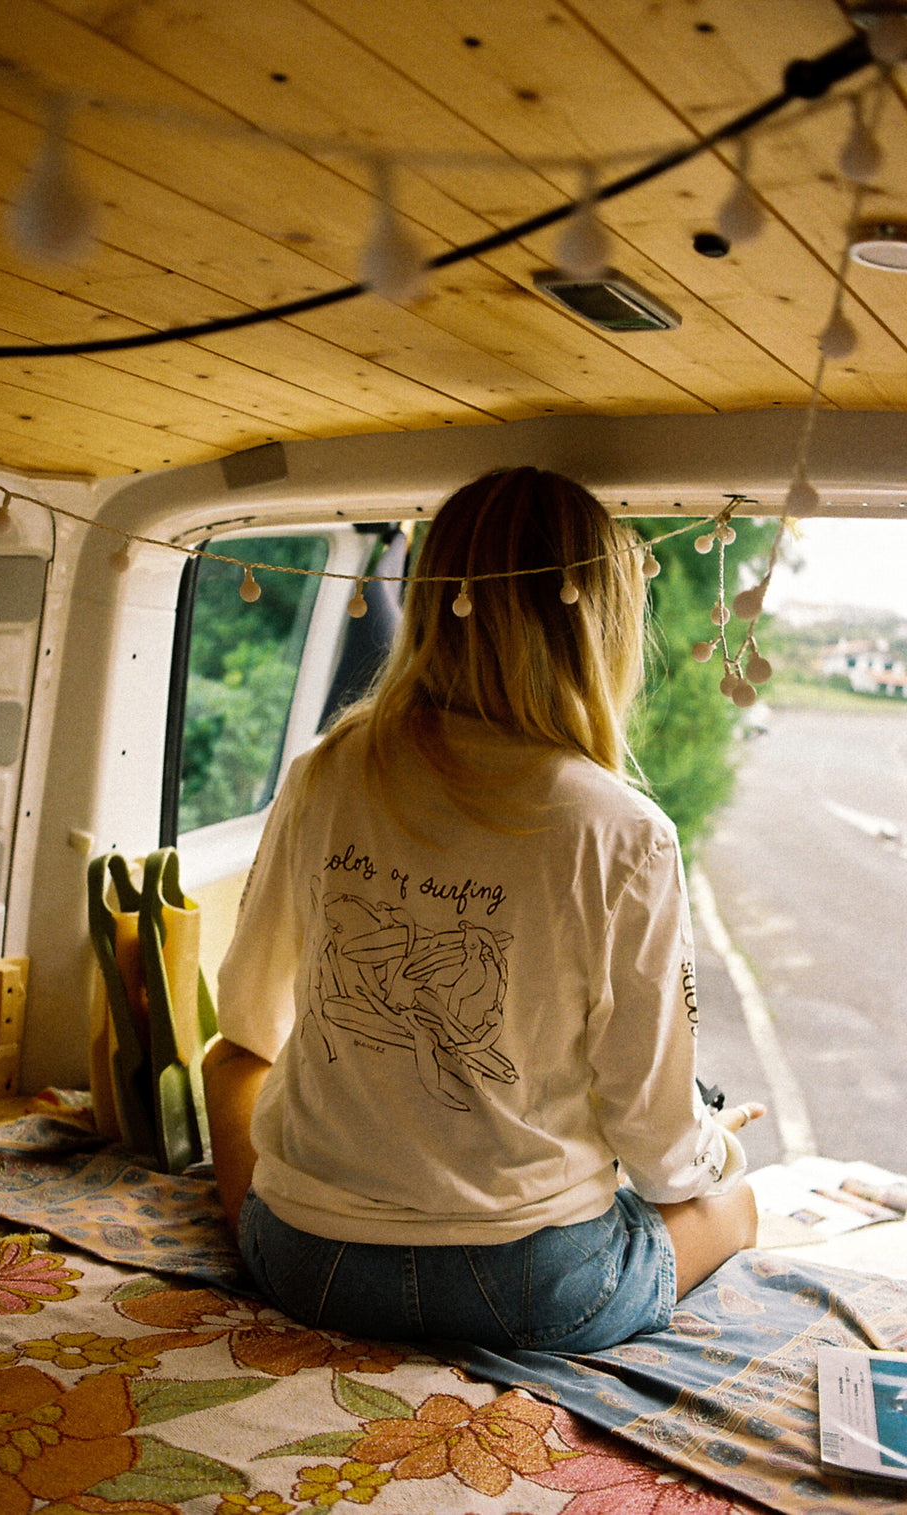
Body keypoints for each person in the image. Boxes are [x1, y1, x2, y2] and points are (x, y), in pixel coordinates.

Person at [204, 466, 763, 1355]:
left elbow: (247, 1021)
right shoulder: (625, 832)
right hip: (530, 1285)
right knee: (733, 1204)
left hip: (309, 1264)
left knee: (223, 1064)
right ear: (599, 622)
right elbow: (657, 1147)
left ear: (430, 596)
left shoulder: (325, 771)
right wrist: (716, 1151)